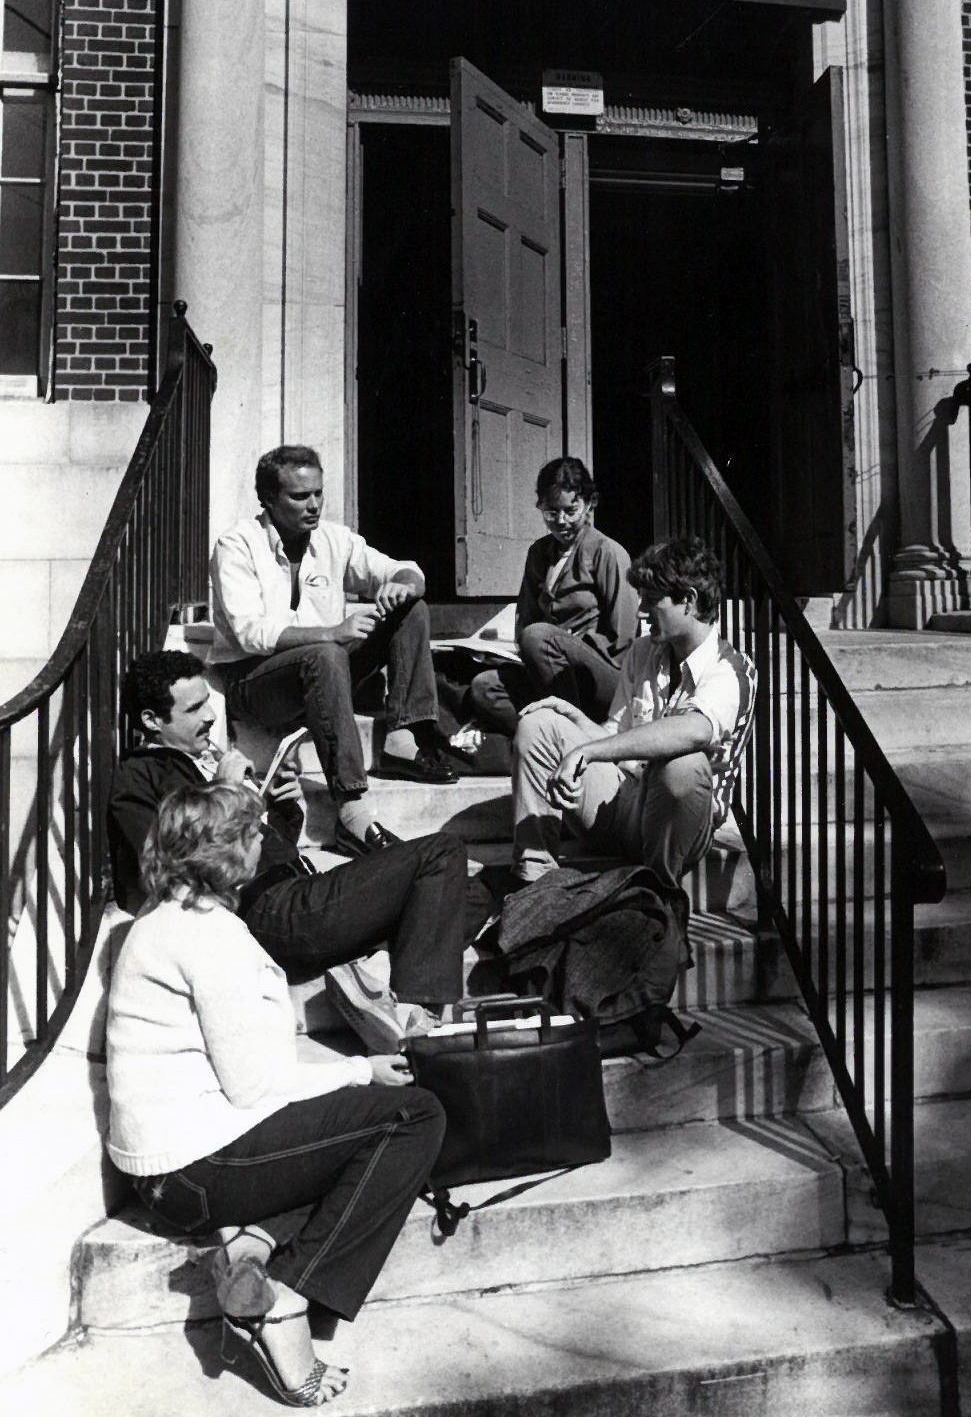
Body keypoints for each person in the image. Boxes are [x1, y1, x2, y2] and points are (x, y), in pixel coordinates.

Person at [106, 781, 445, 1406]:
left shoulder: (167, 920)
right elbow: (256, 1085)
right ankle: (283, 1301)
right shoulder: (207, 937)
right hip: (193, 1174)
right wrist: (359, 1071)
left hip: (166, 1171)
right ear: (226, 849)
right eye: (257, 831)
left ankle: (253, 1244)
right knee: (414, 1116)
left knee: (344, 1130)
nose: (266, 839)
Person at [107, 650, 467, 1044]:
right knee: (440, 854)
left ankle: (373, 983)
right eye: (194, 709)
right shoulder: (141, 776)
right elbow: (171, 870)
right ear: (151, 721)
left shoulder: (202, 759)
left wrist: (280, 810)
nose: (210, 716)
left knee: (475, 892)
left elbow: (257, 847)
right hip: (268, 910)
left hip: (294, 892)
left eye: (208, 702)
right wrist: (225, 792)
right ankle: (412, 1018)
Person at [210, 444, 457, 857]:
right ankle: (352, 809)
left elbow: (402, 568)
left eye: (318, 494)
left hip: (325, 671)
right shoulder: (237, 545)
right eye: (300, 496)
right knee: (325, 654)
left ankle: (403, 736)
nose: (314, 506)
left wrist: (403, 581)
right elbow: (250, 632)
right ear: (268, 499)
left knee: (410, 609)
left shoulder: (332, 539)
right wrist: (331, 633)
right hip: (255, 683)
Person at [510, 536, 757, 889]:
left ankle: (657, 894)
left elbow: (694, 732)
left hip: (677, 829)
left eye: (652, 600)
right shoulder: (644, 652)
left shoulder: (731, 668)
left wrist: (587, 750)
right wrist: (577, 724)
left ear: (689, 601)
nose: (640, 611)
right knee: (540, 724)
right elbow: (617, 736)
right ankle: (533, 884)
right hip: (622, 805)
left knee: (682, 764)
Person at [469, 457, 638, 738]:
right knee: (485, 687)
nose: (561, 522)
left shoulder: (607, 552)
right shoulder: (538, 553)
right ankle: (562, 736)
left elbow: (625, 639)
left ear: (590, 503)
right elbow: (525, 621)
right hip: (551, 675)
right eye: (551, 512)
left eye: (571, 511)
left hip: (601, 678)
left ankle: (567, 732)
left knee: (538, 636)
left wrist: (572, 645)